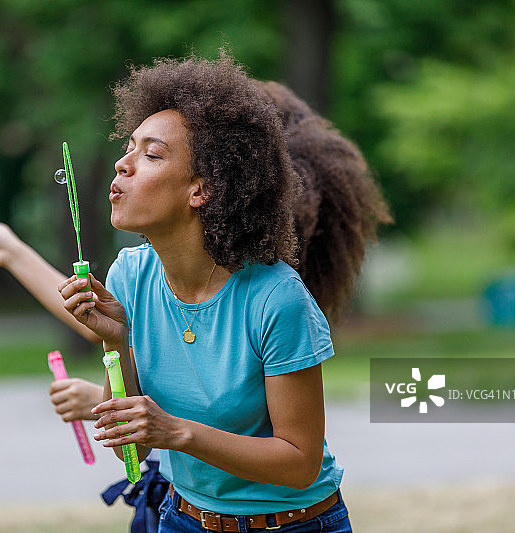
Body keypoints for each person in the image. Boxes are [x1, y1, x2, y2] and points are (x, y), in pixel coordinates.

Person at [57, 52, 379, 533]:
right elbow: (134, 450)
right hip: (184, 519)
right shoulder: (129, 276)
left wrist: (178, 432)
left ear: (201, 190)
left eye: (151, 154)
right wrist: (116, 342)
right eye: (128, 147)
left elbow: (299, 462)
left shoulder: (276, 299)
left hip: (289, 524)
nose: (123, 165)